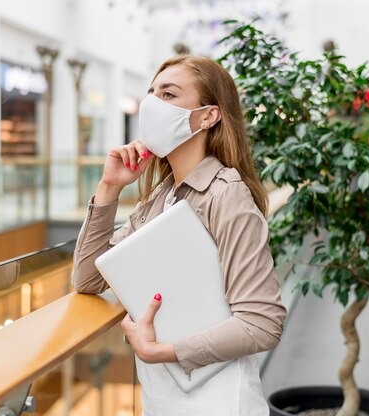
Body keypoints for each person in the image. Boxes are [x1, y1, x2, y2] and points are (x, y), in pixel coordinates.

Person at [71, 55, 287, 415]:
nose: (151, 105)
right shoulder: (160, 196)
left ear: (208, 116)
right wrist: (109, 188)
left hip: (218, 400)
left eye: (168, 95)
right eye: (151, 94)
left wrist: (163, 351)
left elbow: (262, 321)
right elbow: (88, 279)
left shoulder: (226, 194)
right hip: (164, 398)